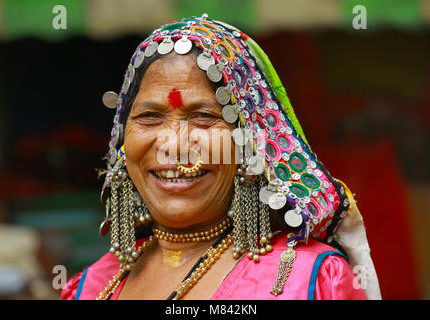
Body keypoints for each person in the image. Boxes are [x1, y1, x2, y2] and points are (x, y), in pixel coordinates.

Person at [60, 15, 381, 300]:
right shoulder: (91, 287)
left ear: (252, 141)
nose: (173, 144)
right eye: (149, 116)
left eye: (202, 116)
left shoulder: (309, 281)